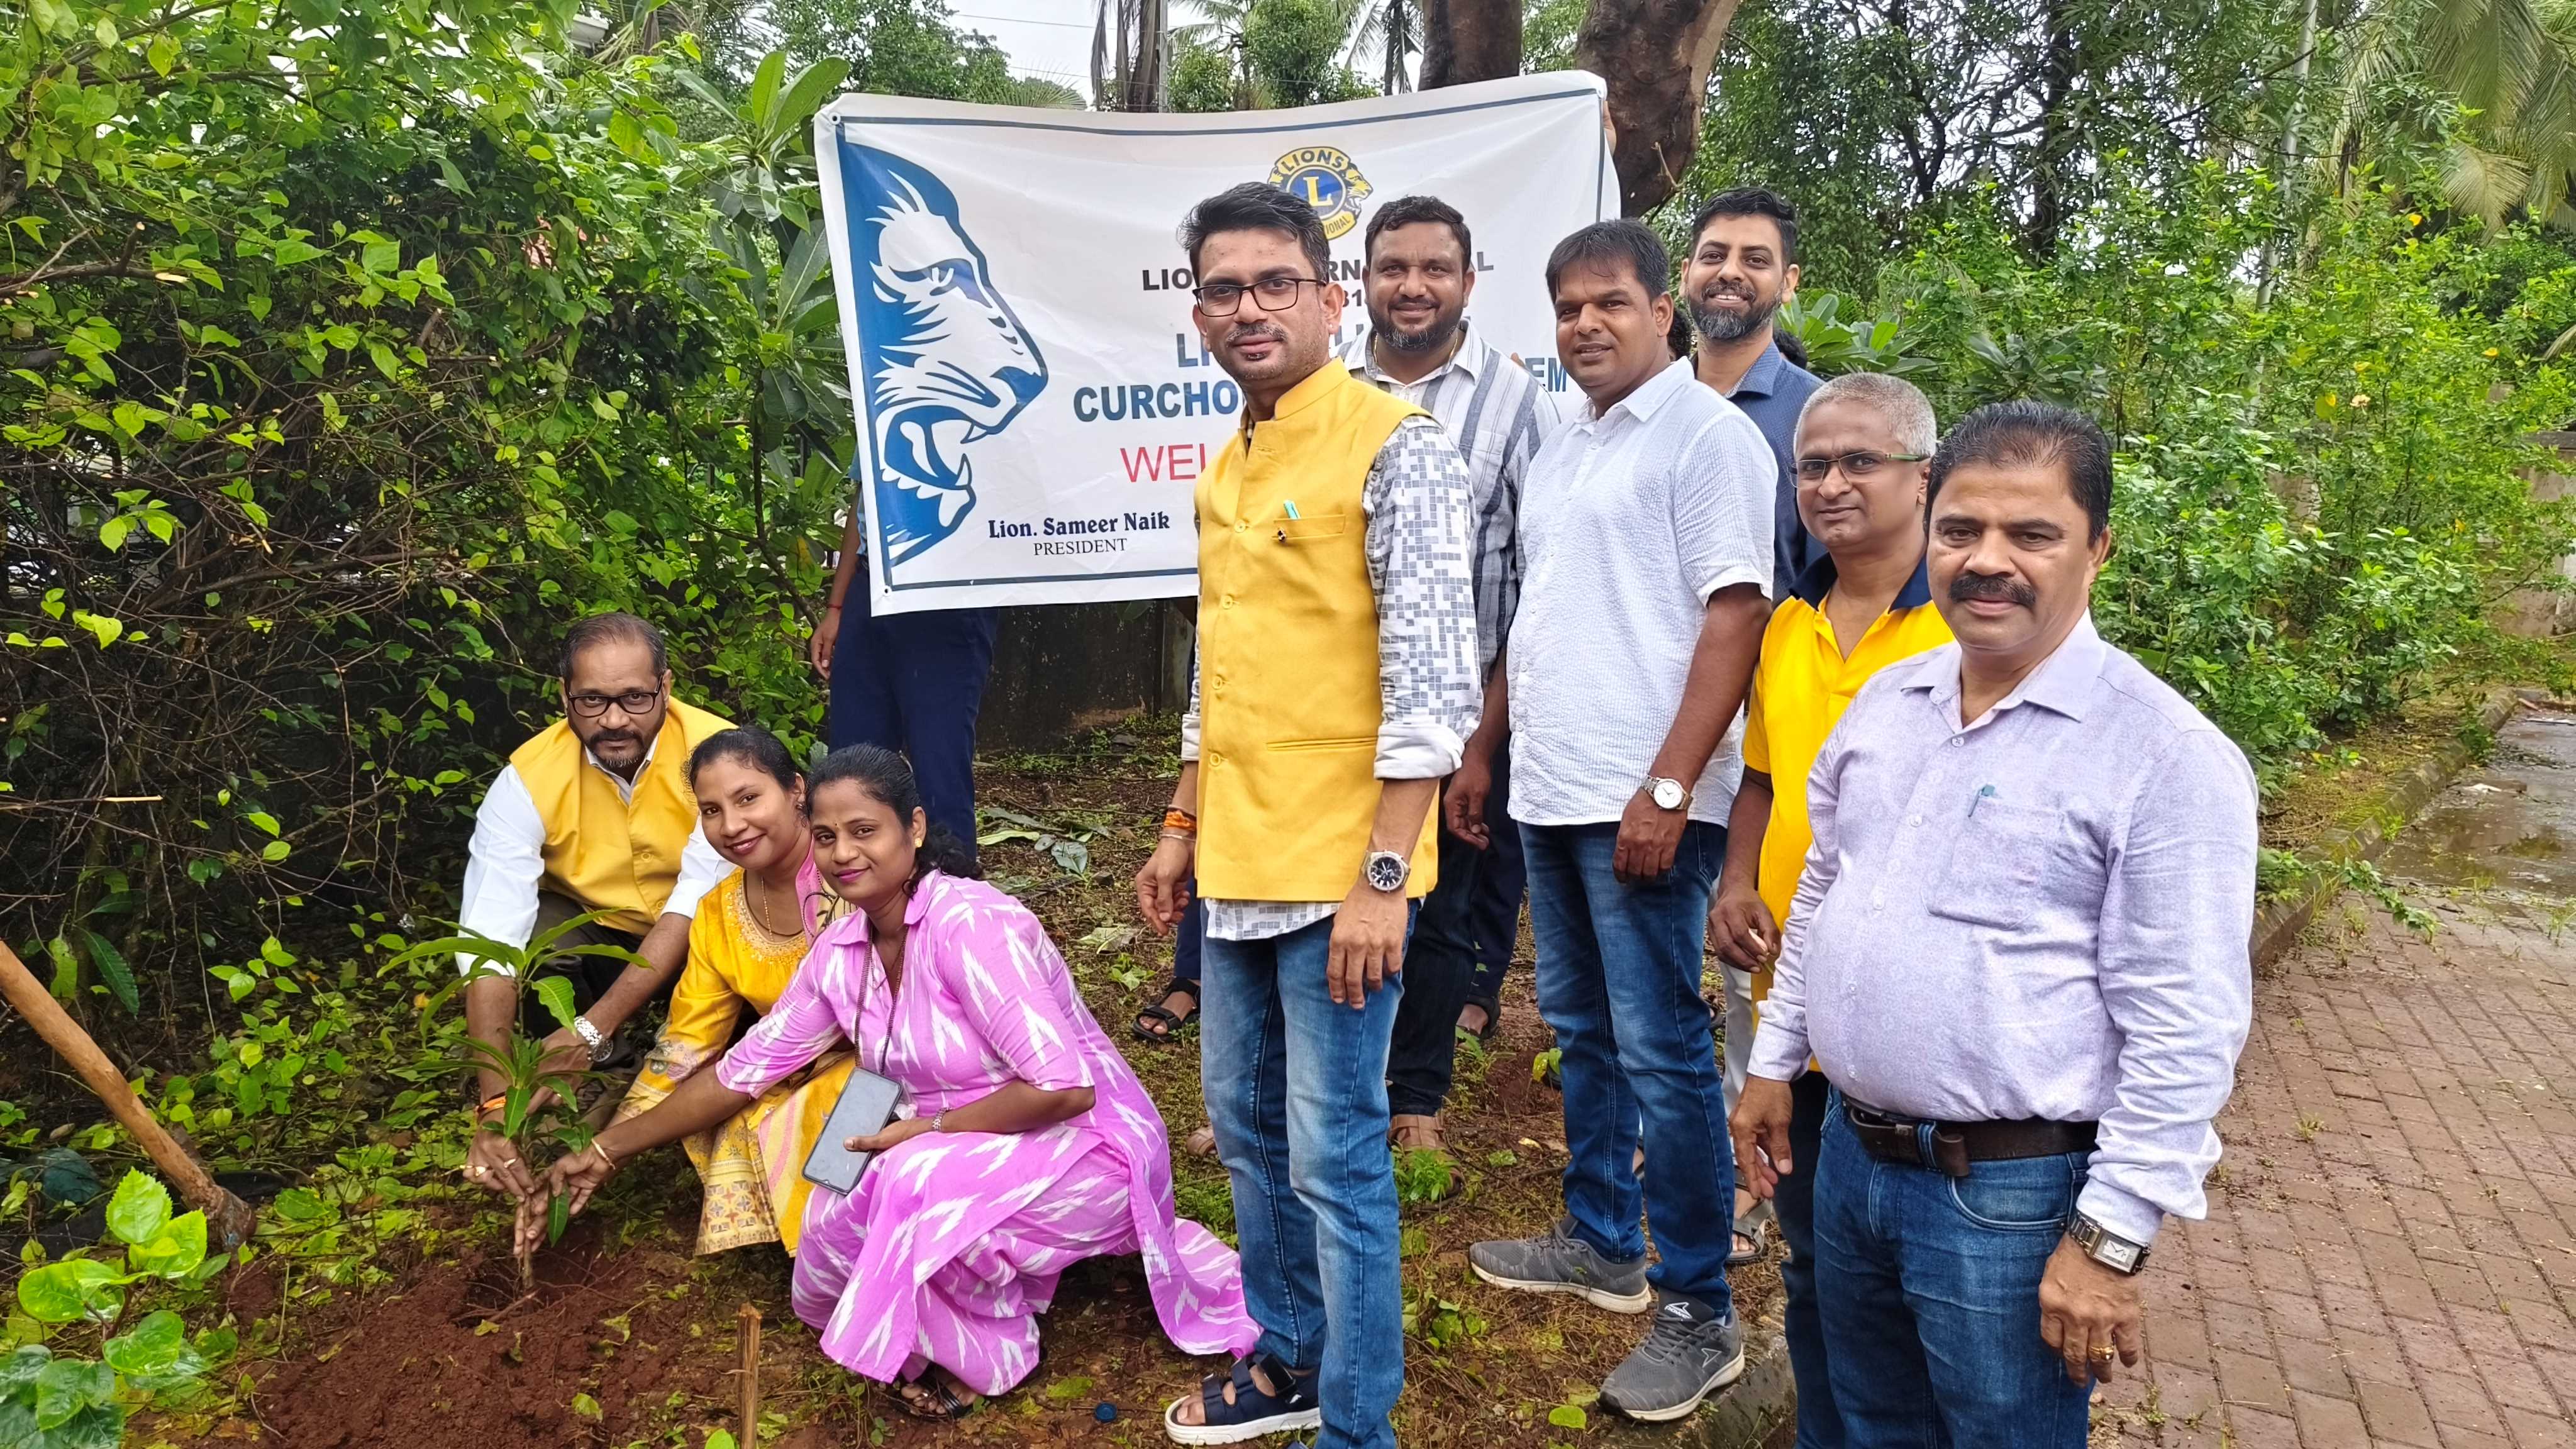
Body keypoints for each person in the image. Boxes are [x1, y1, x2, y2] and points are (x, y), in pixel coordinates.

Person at [1735, 402, 2258, 1446]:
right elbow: (1825, 899)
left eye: (2032, 534)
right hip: (1849, 1159)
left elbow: (2185, 1022)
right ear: (1928, 528)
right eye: (1962, 530)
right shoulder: (1887, 705)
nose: (1988, 561)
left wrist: (2108, 1240)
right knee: (1873, 1425)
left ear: (2097, 547)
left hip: (2008, 1198)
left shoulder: (2161, 753)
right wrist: (1771, 1063)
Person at [541, 745, 1255, 1420]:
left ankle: (990, 1353)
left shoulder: (971, 925)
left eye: (863, 830)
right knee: (830, 1214)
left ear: (912, 828)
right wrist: (605, 1151)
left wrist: (929, 1130)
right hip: (957, 1150)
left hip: (1086, 1148)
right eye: (825, 837)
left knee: (908, 1180)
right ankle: (947, 1291)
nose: (844, 854)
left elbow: (1065, 1090)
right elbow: (741, 1072)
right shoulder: (841, 951)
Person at [1133, 182, 1477, 1449]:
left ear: (1330, 300)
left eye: (1274, 283)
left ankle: (1356, 1424)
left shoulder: (1396, 442)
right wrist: (1179, 822)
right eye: (1220, 289)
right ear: (1198, 313)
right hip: (1233, 865)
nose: (1246, 308)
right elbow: (1214, 683)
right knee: (1241, 1124)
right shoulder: (1226, 464)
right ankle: (1284, 1360)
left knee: (1336, 1160)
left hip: (1343, 878)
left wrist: (1383, 876)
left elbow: (1434, 687)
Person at [1468, 220, 1773, 1423]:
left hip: (1643, 800)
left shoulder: (1705, 437)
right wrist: (1486, 748)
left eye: (1609, 302)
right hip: (1554, 787)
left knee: (1661, 1047)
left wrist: (1666, 784)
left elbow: (1736, 615)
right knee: (1583, 1026)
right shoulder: (1567, 448)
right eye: (1566, 307)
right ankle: (1603, 1238)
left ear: (1664, 310)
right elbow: (1542, 615)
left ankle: (1701, 1305)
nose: (1585, 323)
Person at [1706, 373, 1951, 1449]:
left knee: (1914, 1290)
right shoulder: (1789, 619)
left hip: (1911, 1021)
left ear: (1922, 477)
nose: (1833, 484)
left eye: (1862, 462)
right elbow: (1760, 775)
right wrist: (1733, 877)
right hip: (1790, 1009)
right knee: (1811, 1266)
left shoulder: (1965, 625)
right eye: (1813, 465)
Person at [1336, 194, 1562, 1153]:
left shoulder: (1519, 403)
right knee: (1325, 896)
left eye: (1436, 269)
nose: (1414, 286)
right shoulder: (1325, 388)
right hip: (1336, 709)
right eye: (1394, 268)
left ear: (1469, 282)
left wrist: (1485, 740)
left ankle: (1415, 1097)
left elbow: (1544, 578)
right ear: (1363, 283)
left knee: (1440, 904)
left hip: (1465, 717)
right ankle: (1319, 1086)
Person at [454, 612, 733, 1201]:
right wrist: (492, 1103)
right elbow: (489, 944)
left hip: (706, 934)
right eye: (592, 700)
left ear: (667, 686)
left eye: (635, 698)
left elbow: (688, 908)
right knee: (534, 950)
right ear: (564, 695)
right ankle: (601, 1072)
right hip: (602, 932)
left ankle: (685, 1075)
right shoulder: (527, 779)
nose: (613, 720)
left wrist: (589, 1025)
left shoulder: (719, 756)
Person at [1677, 187, 1823, 1255]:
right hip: (1652, 720)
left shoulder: (1816, 418)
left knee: (1746, 948)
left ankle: (1750, 1167)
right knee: (1657, 941)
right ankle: (1677, 1131)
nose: (1730, 272)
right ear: (1684, 274)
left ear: (1787, 283)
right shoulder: (1641, 399)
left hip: (1765, 729)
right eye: (1713, 254)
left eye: (1754, 259)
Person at [609, 726, 854, 1256]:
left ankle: (849, 1247)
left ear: (796, 790)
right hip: (782, 1067)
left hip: (888, 1063)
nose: (732, 825)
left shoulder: (850, 868)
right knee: (717, 1104)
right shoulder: (718, 911)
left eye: (748, 798)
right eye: (712, 810)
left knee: (819, 1108)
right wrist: (604, 1153)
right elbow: (683, 1045)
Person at [812, 514, 997, 856]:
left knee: (939, 764)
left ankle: (951, 893)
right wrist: (836, 607)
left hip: (947, 588)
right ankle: (851, 893)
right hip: (870, 585)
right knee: (852, 764)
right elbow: (862, 499)